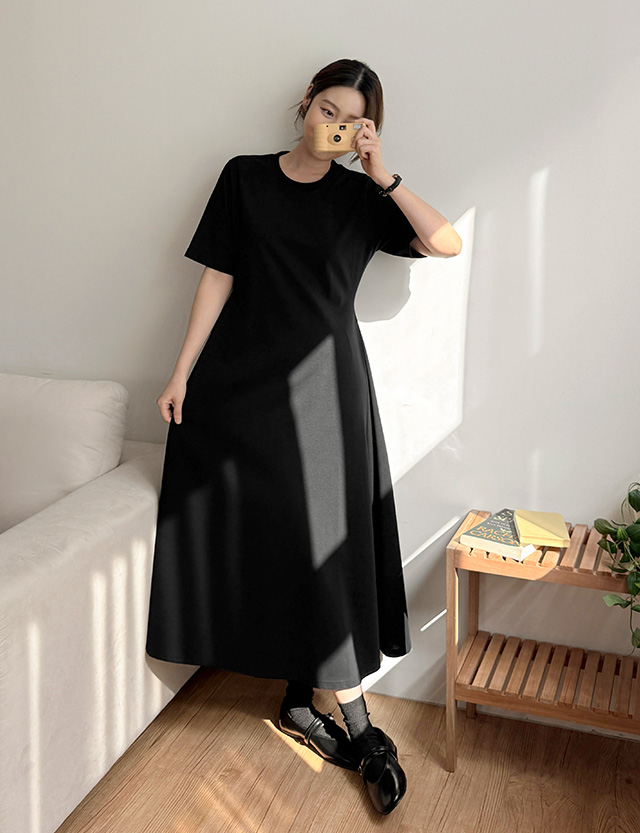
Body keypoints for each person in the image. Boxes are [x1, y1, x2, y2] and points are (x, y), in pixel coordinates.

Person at [145, 57, 462, 815]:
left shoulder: (361, 197)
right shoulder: (244, 177)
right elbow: (218, 275)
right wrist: (181, 372)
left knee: (326, 544)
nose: (336, 126)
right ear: (305, 103)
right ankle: (307, 704)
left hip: (325, 392)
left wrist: (382, 173)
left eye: (354, 120)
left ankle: (353, 721)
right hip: (241, 386)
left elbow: (446, 242)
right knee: (278, 537)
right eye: (328, 109)